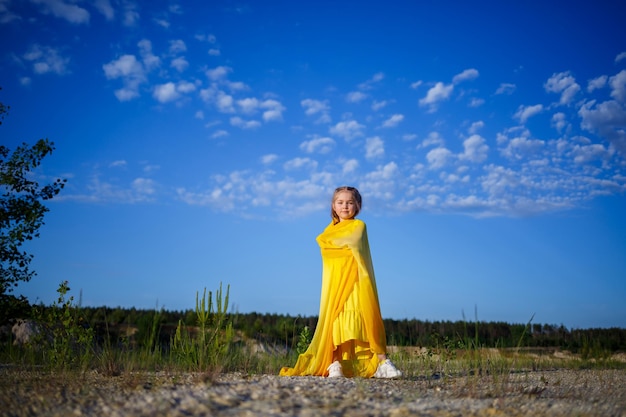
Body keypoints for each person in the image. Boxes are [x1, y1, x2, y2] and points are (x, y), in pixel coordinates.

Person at [280, 186, 402, 378]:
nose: (345, 206)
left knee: (365, 319)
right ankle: (334, 363)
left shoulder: (359, 226)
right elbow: (326, 244)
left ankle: (382, 362)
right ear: (333, 206)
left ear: (358, 206)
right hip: (336, 286)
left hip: (357, 283)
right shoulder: (328, 231)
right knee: (336, 322)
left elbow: (351, 243)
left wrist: (338, 245)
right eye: (340, 202)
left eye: (350, 202)